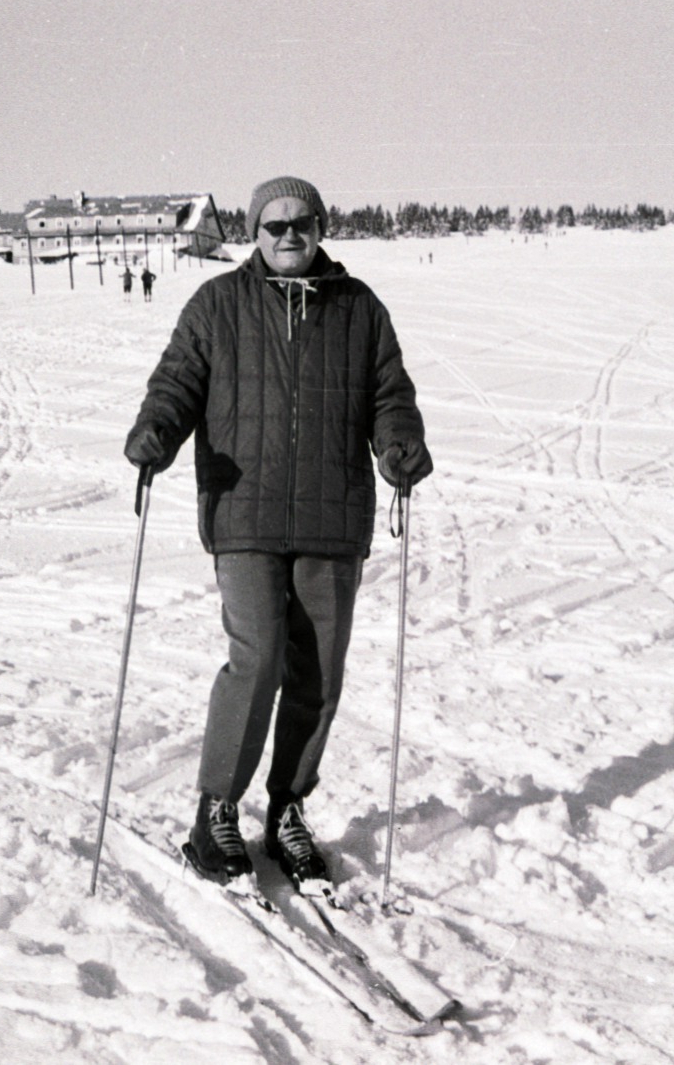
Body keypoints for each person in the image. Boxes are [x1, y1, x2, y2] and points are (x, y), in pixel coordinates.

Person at [123, 176, 433, 894]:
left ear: (320, 226)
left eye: (302, 221)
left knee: (317, 675)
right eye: (273, 224)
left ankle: (288, 807)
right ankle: (216, 810)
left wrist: (398, 445)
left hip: (332, 516)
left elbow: (390, 394)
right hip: (246, 512)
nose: (288, 234)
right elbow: (175, 382)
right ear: (253, 232)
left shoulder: (359, 310)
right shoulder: (216, 305)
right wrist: (155, 433)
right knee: (257, 657)